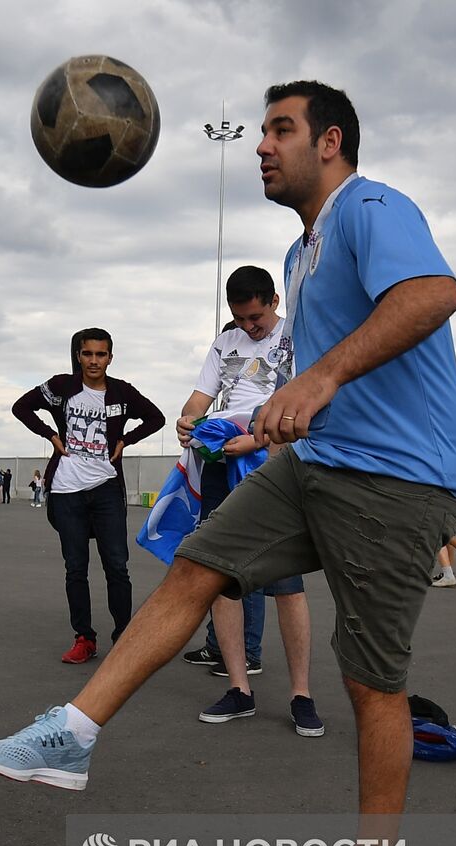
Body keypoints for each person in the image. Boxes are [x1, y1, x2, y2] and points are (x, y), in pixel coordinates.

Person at [0, 82, 456, 846]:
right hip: (315, 462)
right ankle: (73, 734)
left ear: (332, 142)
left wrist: (319, 377)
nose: (264, 146)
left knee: (373, 681)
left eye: (281, 130)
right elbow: (317, 384)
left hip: (398, 482)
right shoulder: (297, 255)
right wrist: (259, 428)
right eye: (263, 131)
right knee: (199, 561)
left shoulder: (372, 207)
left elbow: (432, 296)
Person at [177, 265, 323, 736]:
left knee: (287, 583)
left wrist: (257, 443)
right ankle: (240, 688)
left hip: (275, 462)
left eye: (256, 318)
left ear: (275, 302)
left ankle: (302, 694)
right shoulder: (227, 343)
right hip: (223, 457)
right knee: (222, 574)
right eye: (240, 319)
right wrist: (187, 419)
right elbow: (202, 396)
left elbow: (305, 409)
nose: (249, 327)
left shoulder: (299, 337)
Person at [9, 327, 164, 662]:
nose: (94, 361)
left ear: (110, 357)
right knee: (75, 568)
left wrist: (125, 441)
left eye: (101, 354)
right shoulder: (62, 387)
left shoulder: (122, 392)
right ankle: (84, 638)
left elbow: (157, 418)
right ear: (78, 355)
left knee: (117, 566)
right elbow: (21, 407)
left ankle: (124, 637)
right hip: (67, 491)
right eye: (88, 354)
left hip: (107, 488)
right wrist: (50, 434)